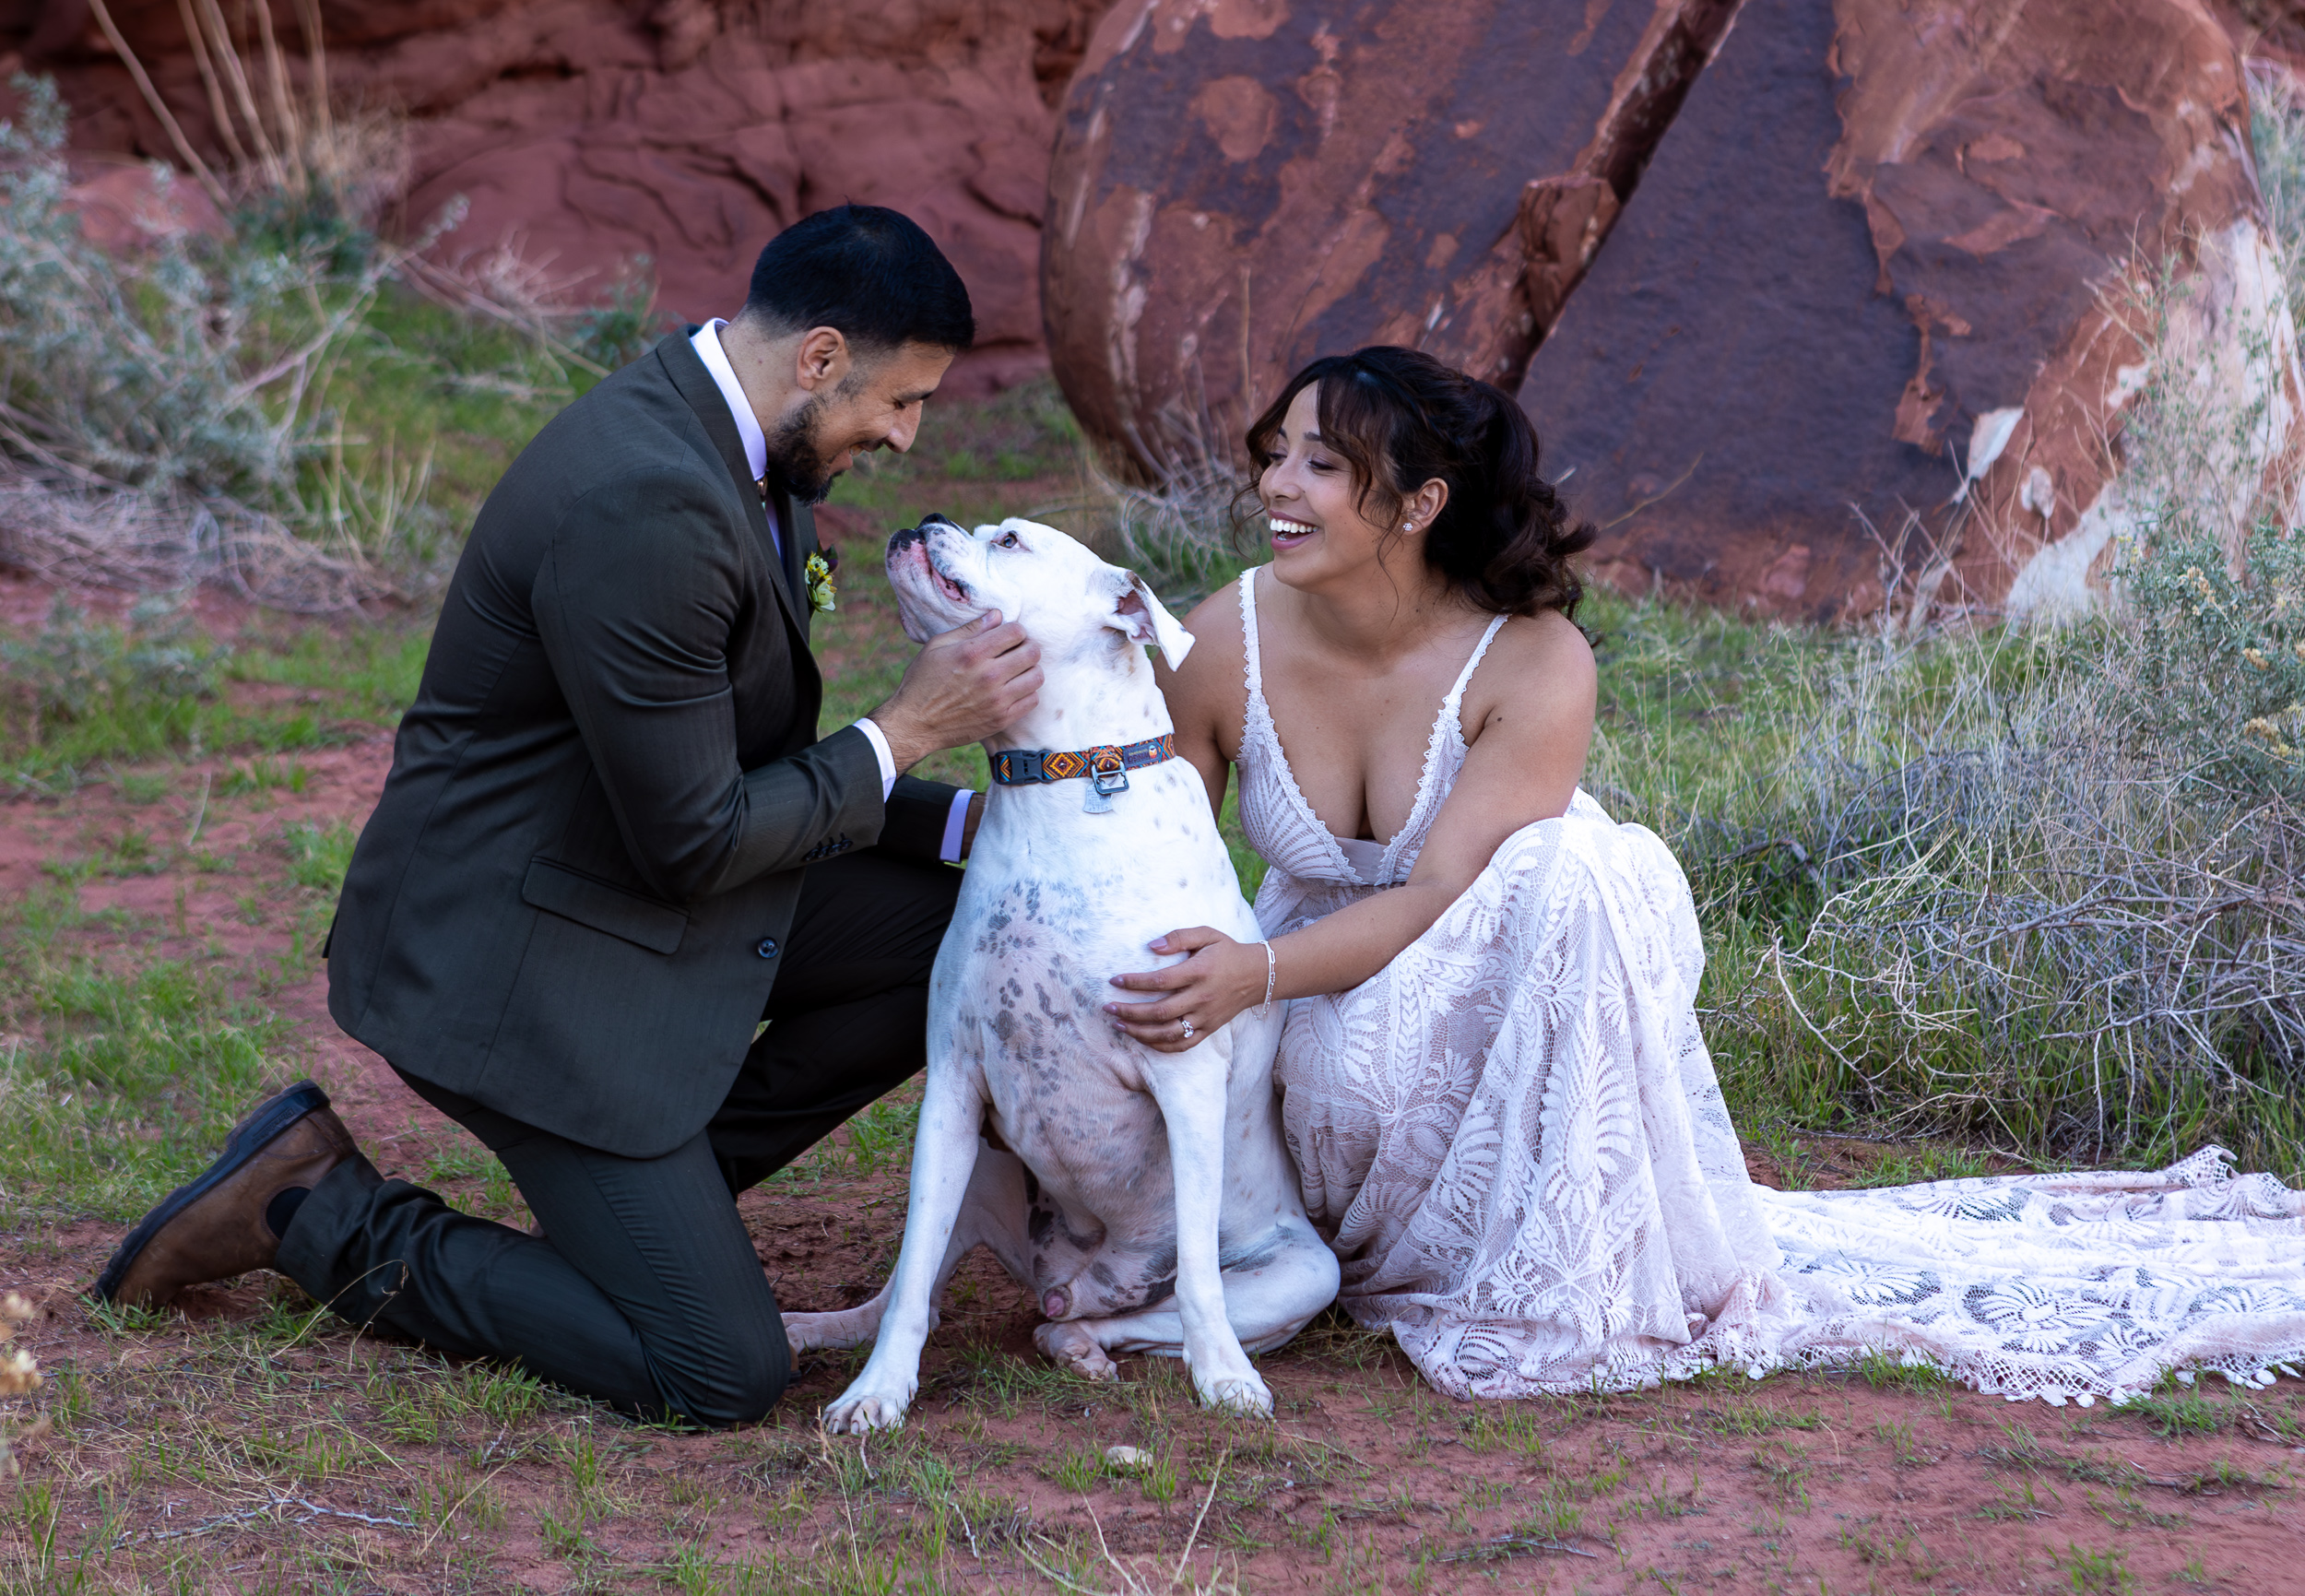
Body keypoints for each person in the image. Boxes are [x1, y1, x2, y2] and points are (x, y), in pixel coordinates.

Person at [1111, 346, 2305, 1403]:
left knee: (1579, 864)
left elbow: (1436, 902)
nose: (1275, 485)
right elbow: (1151, 850)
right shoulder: (1227, 637)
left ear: (1422, 502)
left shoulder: (1532, 660)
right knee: (1321, 1059)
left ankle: (1552, 1269)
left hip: (1486, 982)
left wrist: (1256, 974)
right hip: (1307, 995)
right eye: (1279, 455)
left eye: (1321, 466)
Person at [93, 206, 1040, 1427]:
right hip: (514, 960)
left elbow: (733, 761)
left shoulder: (746, 449)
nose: (905, 435)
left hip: (621, 882)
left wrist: (987, 828)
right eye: (899, 401)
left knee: (969, 920)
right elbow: (698, 837)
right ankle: (312, 1208)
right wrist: (908, 730)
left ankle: (651, 1209)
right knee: (718, 1372)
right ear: (817, 358)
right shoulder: (651, 500)